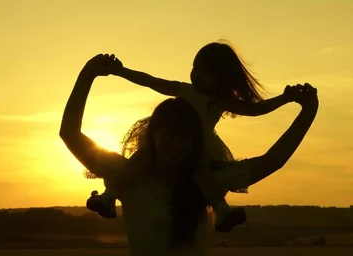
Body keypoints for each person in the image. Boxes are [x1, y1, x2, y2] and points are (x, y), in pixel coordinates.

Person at [60, 54, 319, 256]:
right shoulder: (129, 174)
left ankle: (224, 213)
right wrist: (89, 72)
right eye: (169, 135)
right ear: (154, 136)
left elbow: (271, 161)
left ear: (197, 143)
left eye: (185, 138)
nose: (176, 145)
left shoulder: (207, 180)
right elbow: (69, 133)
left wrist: (307, 112)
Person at [84, 41, 298, 232]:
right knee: (141, 159)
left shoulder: (221, 101)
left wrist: (285, 99)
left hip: (195, 146)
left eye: (204, 71)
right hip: (166, 138)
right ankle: (110, 196)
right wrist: (121, 71)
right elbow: (151, 81)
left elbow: (256, 109)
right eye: (194, 68)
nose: (196, 74)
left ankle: (223, 211)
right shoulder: (184, 90)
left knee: (200, 171)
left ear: (221, 77)